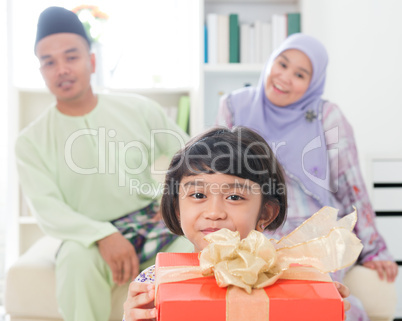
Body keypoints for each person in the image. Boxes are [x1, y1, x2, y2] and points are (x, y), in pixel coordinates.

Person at [15, 6, 192, 321]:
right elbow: (48, 208)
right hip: (89, 235)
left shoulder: (139, 109)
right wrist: (102, 235)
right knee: (74, 260)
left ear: (91, 61)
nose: (62, 69)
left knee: (194, 248)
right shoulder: (30, 141)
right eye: (49, 62)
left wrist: (184, 205)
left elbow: (190, 157)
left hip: (153, 221)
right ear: (41, 71)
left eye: (71, 57)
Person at [216, 33, 398, 321]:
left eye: (300, 74)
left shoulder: (327, 116)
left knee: (309, 303)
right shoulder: (234, 107)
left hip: (317, 229)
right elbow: (220, 178)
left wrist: (375, 250)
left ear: (314, 83)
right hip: (257, 226)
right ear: (271, 60)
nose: (285, 77)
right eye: (282, 63)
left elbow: (352, 187)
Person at [122, 126, 352, 321]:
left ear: (266, 213)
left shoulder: (289, 275)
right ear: (176, 208)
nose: (214, 213)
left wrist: (325, 306)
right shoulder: (155, 281)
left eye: (234, 197)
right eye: (198, 195)